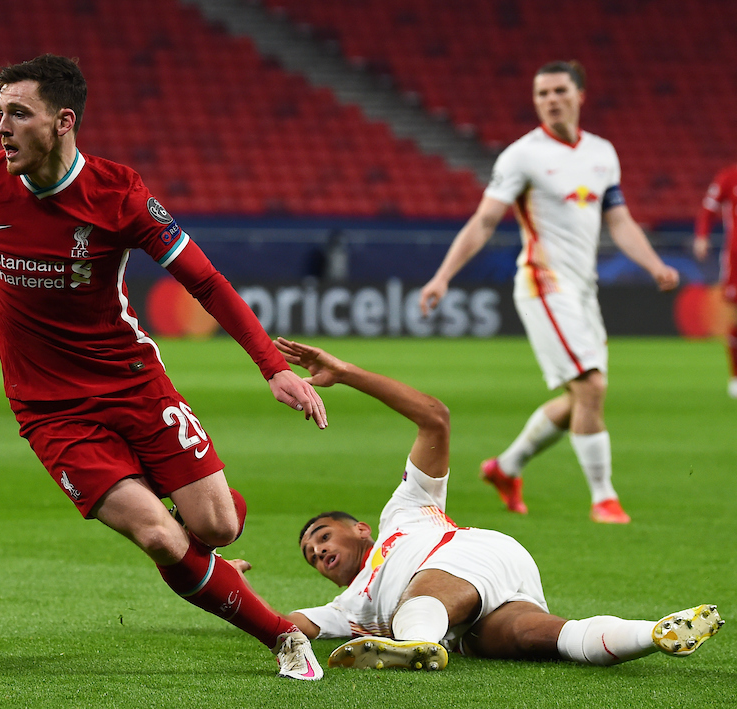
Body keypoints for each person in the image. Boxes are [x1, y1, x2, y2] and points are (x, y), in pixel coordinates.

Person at [0, 54, 329, 680]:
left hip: (132, 380)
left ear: (63, 121)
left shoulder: (119, 194)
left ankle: (199, 557)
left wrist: (271, 367)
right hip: (49, 407)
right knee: (157, 535)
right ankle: (283, 637)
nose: (2, 128)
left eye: (19, 114)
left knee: (218, 525)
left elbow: (204, 282)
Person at [241, 338, 722, 671]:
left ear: (361, 528)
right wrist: (229, 587)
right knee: (537, 639)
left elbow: (434, 419)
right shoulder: (346, 607)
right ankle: (654, 633)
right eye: (311, 556)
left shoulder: (404, 512)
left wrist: (346, 374)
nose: (318, 552)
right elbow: (285, 626)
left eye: (322, 536)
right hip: (484, 606)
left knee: (421, 597)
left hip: (465, 556)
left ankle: (414, 646)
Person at [418, 61, 680, 524]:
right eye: (542, 94)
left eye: (559, 91)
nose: (551, 100)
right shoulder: (523, 155)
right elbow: (484, 221)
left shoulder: (602, 152)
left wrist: (654, 264)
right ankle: (604, 499)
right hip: (544, 283)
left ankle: (506, 467)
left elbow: (618, 220)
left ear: (581, 95)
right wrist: (443, 275)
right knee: (592, 385)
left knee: (582, 397)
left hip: (583, 288)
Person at [693, 165, 737, 399]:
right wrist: (701, 236)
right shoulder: (729, 177)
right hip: (736, 259)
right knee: (735, 318)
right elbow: (708, 210)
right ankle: (736, 377)